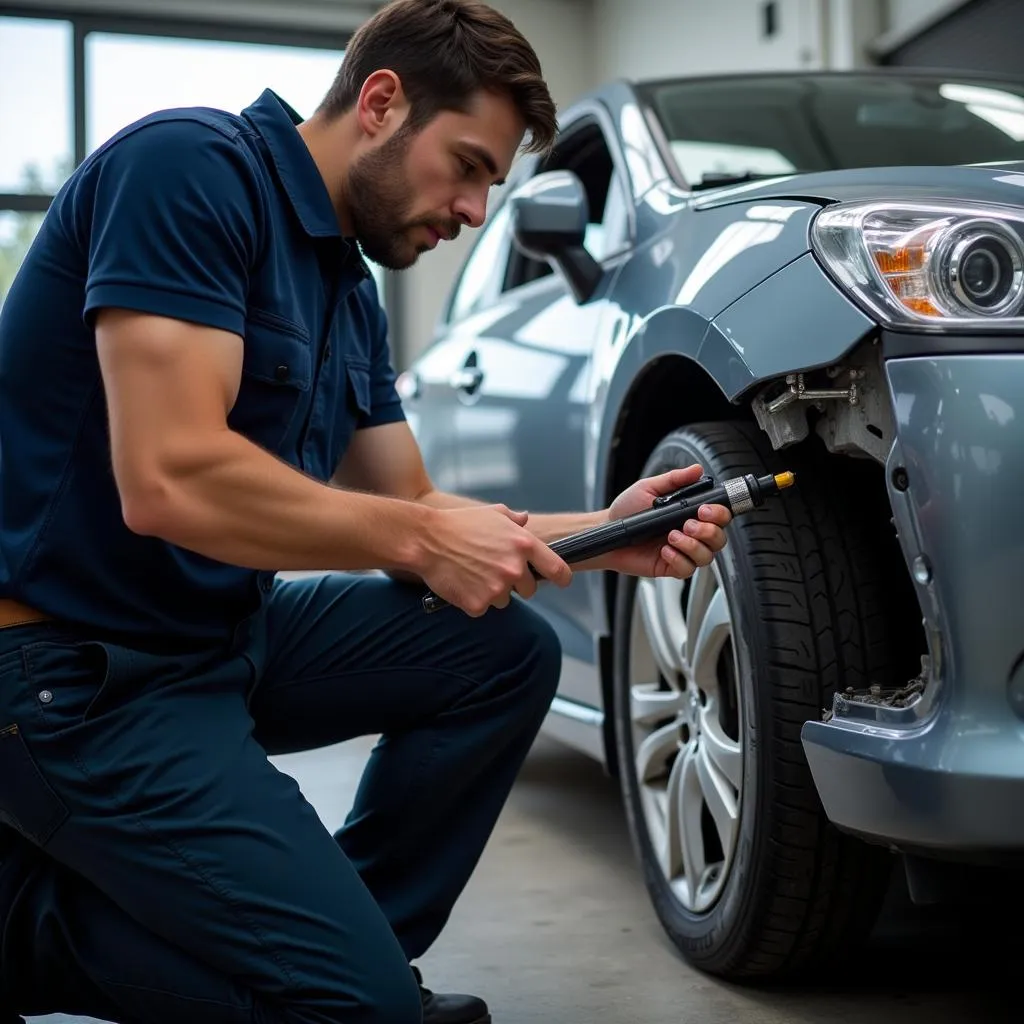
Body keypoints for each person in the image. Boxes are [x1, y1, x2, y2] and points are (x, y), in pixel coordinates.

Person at [0, 0, 732, 1020]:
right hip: (71, 676)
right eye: (469, 165)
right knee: (359, 1003)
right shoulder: (188, 171)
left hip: (216, 639)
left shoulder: (344, 291)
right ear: (381, 102)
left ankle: (349, 962)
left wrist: (610, 534)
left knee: (502, 651)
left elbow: (416, 506)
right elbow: (166, 477)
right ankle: (30, 927)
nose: (477, 213)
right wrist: (427, 536)